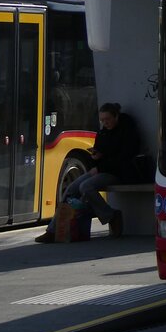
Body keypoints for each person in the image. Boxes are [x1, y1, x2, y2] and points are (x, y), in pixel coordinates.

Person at [36, 102, 140, 242]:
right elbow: (101, 155)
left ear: (116, 116)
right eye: (102, 120)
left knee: (86, 186)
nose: (105, 123)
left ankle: (111, 216)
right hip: (102, 170)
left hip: (120, 172)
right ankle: (52, 230)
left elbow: (125, 157)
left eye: (107, 119)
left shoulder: (127, 131)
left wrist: (100, 166)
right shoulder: (103, 132)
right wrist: (96, 157)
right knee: (71, 189)